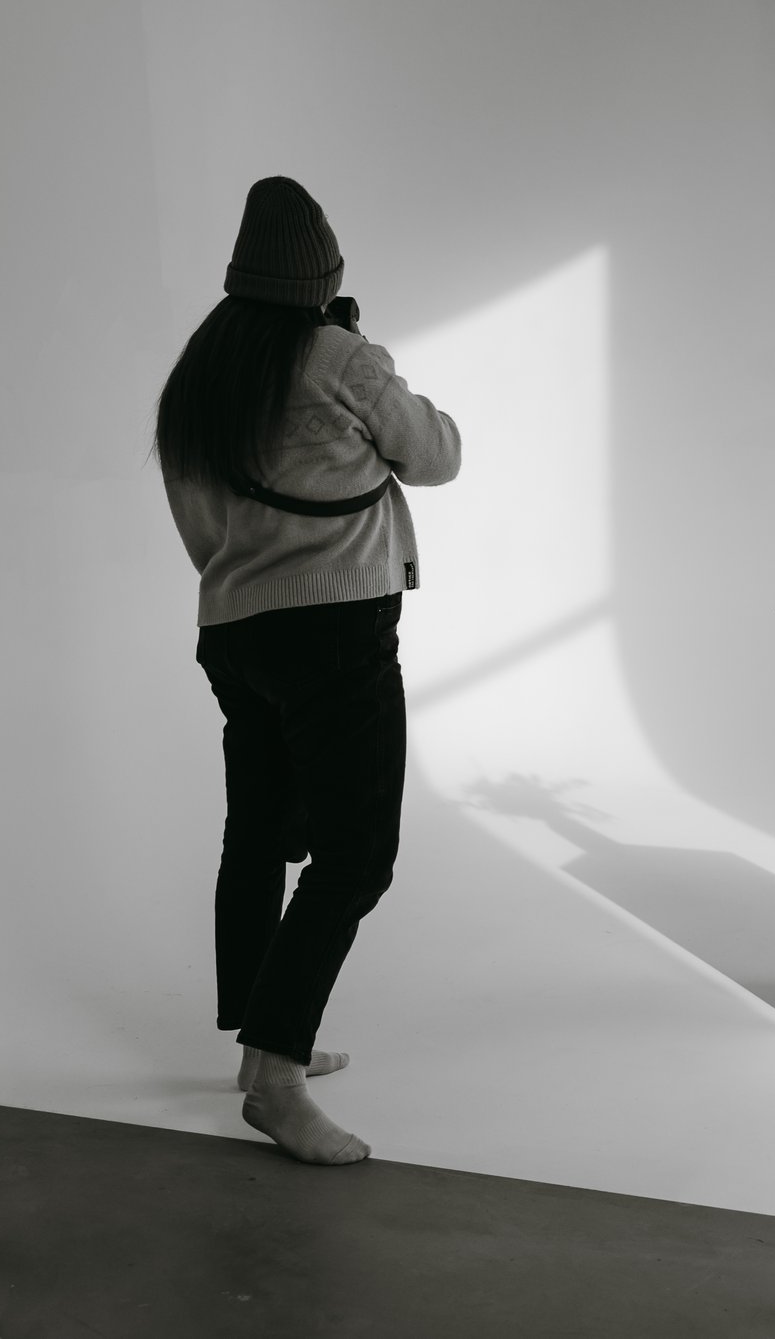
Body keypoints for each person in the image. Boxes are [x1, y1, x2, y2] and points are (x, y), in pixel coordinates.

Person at [154, 176, 461, 1165]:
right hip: (335, 628)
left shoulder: (204, 363)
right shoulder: (342, 355)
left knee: (260, 830)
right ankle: (277, 1078)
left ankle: (256, 1040)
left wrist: (248, 578)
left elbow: (198, 521)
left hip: (236, 630)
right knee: (355, 853)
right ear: (324, 271)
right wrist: (381, 366)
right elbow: (435, 455)